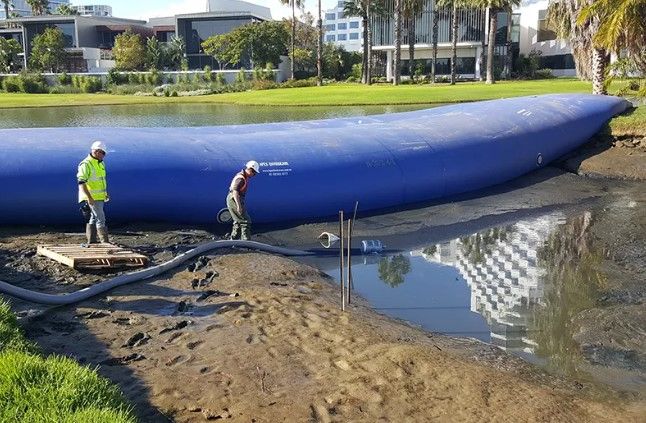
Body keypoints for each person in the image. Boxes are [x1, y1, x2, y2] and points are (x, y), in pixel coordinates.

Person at [78, 141, 109, 244]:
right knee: (101, 218)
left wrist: (105, 193)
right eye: (103, 153)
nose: (104, 156)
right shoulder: (86, 164)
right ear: (96, 151)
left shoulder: (100, 163)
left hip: (99, 196)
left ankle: (92, 241)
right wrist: (89, 197)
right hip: (92, 197)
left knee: (94, 217)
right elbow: (81, 182)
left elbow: (101, 180)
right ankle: (105, 242)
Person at [226, 160, 260, 240]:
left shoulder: (242, 176)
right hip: (234, 199)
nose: (254, 175)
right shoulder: (241, 178)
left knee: (238, 220)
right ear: (251, 170)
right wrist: (239, 206)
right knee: (245, 221)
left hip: (233, 199)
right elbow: (235, 192)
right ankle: (246, 243)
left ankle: (234, 241)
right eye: (254, 173)